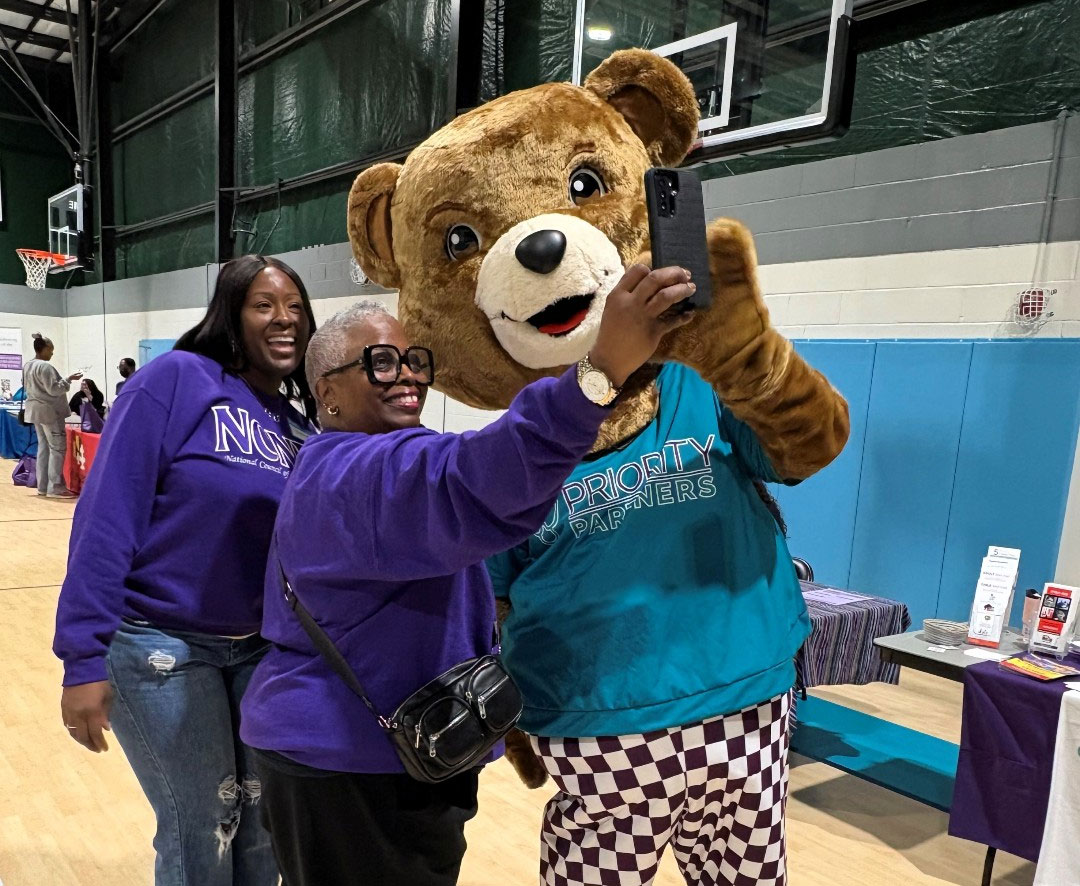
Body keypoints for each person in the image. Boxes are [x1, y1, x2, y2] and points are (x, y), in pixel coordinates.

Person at [239, 265, 696, 886]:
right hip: (352, 766)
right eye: (379, 362)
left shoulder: (355, 464)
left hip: (380, 753)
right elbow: (470, 478)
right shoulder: (355, 473)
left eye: (413, 360)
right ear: (328, 393)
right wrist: (600, 370)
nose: (405, 375)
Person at [53, 255, 319, 886]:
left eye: (295, 308)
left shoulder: (298, 426)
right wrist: (82, 659)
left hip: (259, 651)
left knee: (262, 825)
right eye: (263, 305)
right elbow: (106, 517)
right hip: (159, 643)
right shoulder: (176, 380)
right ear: (230, 313)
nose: (283, 320)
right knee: (204, 825)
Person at [23, 333, 82, 498]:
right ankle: (55, 486)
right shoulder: (45, 367)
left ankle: (42, 486)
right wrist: (68, 380)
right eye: (51, 349)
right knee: (57, 448)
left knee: (43, 448)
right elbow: (54, 390)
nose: (52, 353)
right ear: (44, 349)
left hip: (35, 411)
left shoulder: (28, 365)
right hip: (49, 412)